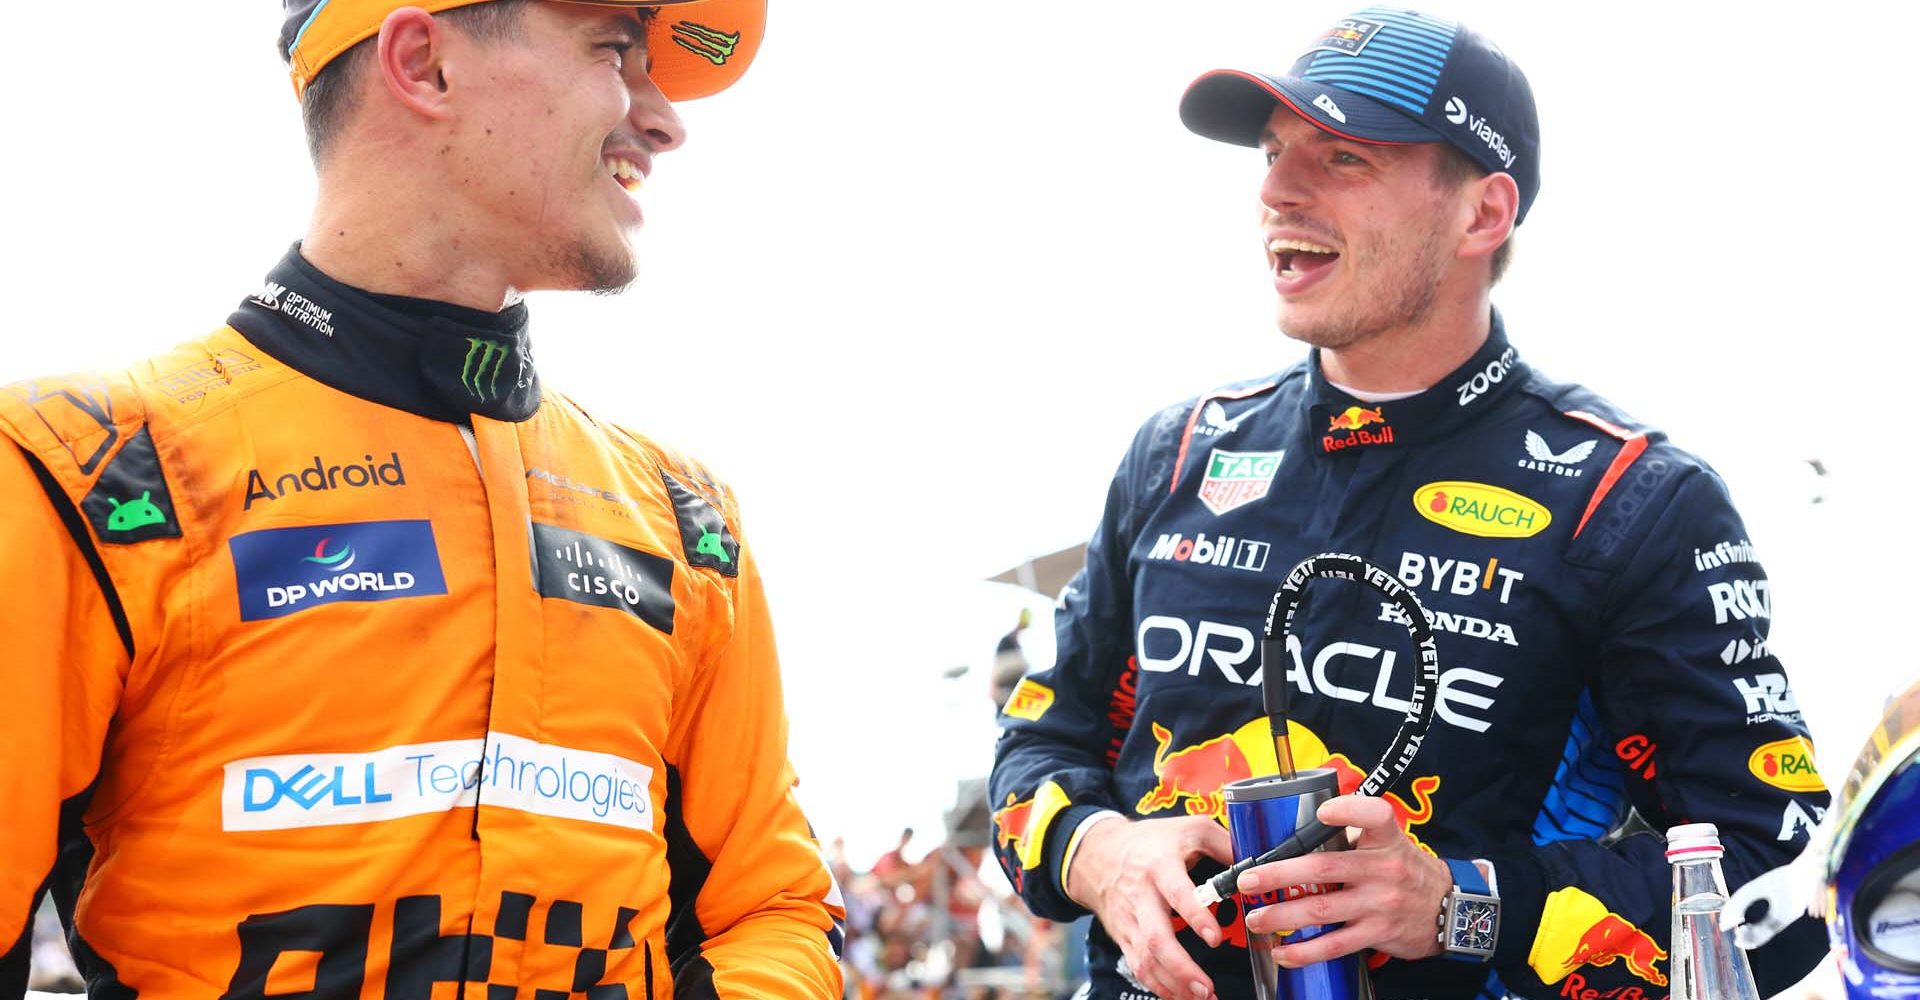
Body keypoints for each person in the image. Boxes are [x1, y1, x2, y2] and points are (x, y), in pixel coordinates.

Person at [0, 2, 844, 996]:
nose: (662, 119)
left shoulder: (683, 515)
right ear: (423, 63)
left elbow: (771, 910)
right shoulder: (84, 468)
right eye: (616, 51)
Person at [987, 7, 1829, 1000]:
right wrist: (1101, 852)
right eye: (1271, 152)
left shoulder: (1632, 503)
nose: (1274, 190)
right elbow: (1037, 738)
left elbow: (1786, 877)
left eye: (1343, 158)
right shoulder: (1176, 454)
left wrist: (1462, 903)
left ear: (1482, 213)